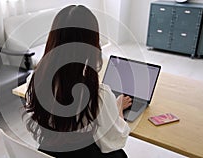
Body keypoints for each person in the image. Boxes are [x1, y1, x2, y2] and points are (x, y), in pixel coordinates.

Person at [23, 5, 132, 158]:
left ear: (53, 39)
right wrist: (118, 107)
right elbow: (116, 139)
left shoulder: (34, 82)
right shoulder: (99, 96)